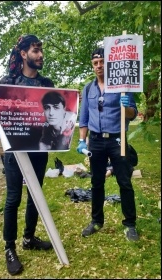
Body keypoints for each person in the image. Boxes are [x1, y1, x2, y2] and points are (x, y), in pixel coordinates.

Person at [0, 34, 55, 276]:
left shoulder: (47, 84)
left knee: (36, 194)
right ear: (23, 54)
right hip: (15, 151)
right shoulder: (7, 81)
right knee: (13, 198)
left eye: (41, 50)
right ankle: (10, 248)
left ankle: (29, 237)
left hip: (39, 149)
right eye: (35, 50)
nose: (40, 54)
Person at [76, 47, 139, 242]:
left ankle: (130, 224)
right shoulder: (88, 88)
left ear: (109, 63)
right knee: (96, 182)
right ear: (92, 65)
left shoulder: (122, 86)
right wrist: (81, 140)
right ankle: (96, 221)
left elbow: (132, 114)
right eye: (95, 63)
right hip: (95, 141)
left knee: (124, 182)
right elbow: (84, 116)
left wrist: (127, 104)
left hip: (117, 140)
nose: (99, 66)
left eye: (102, 61)